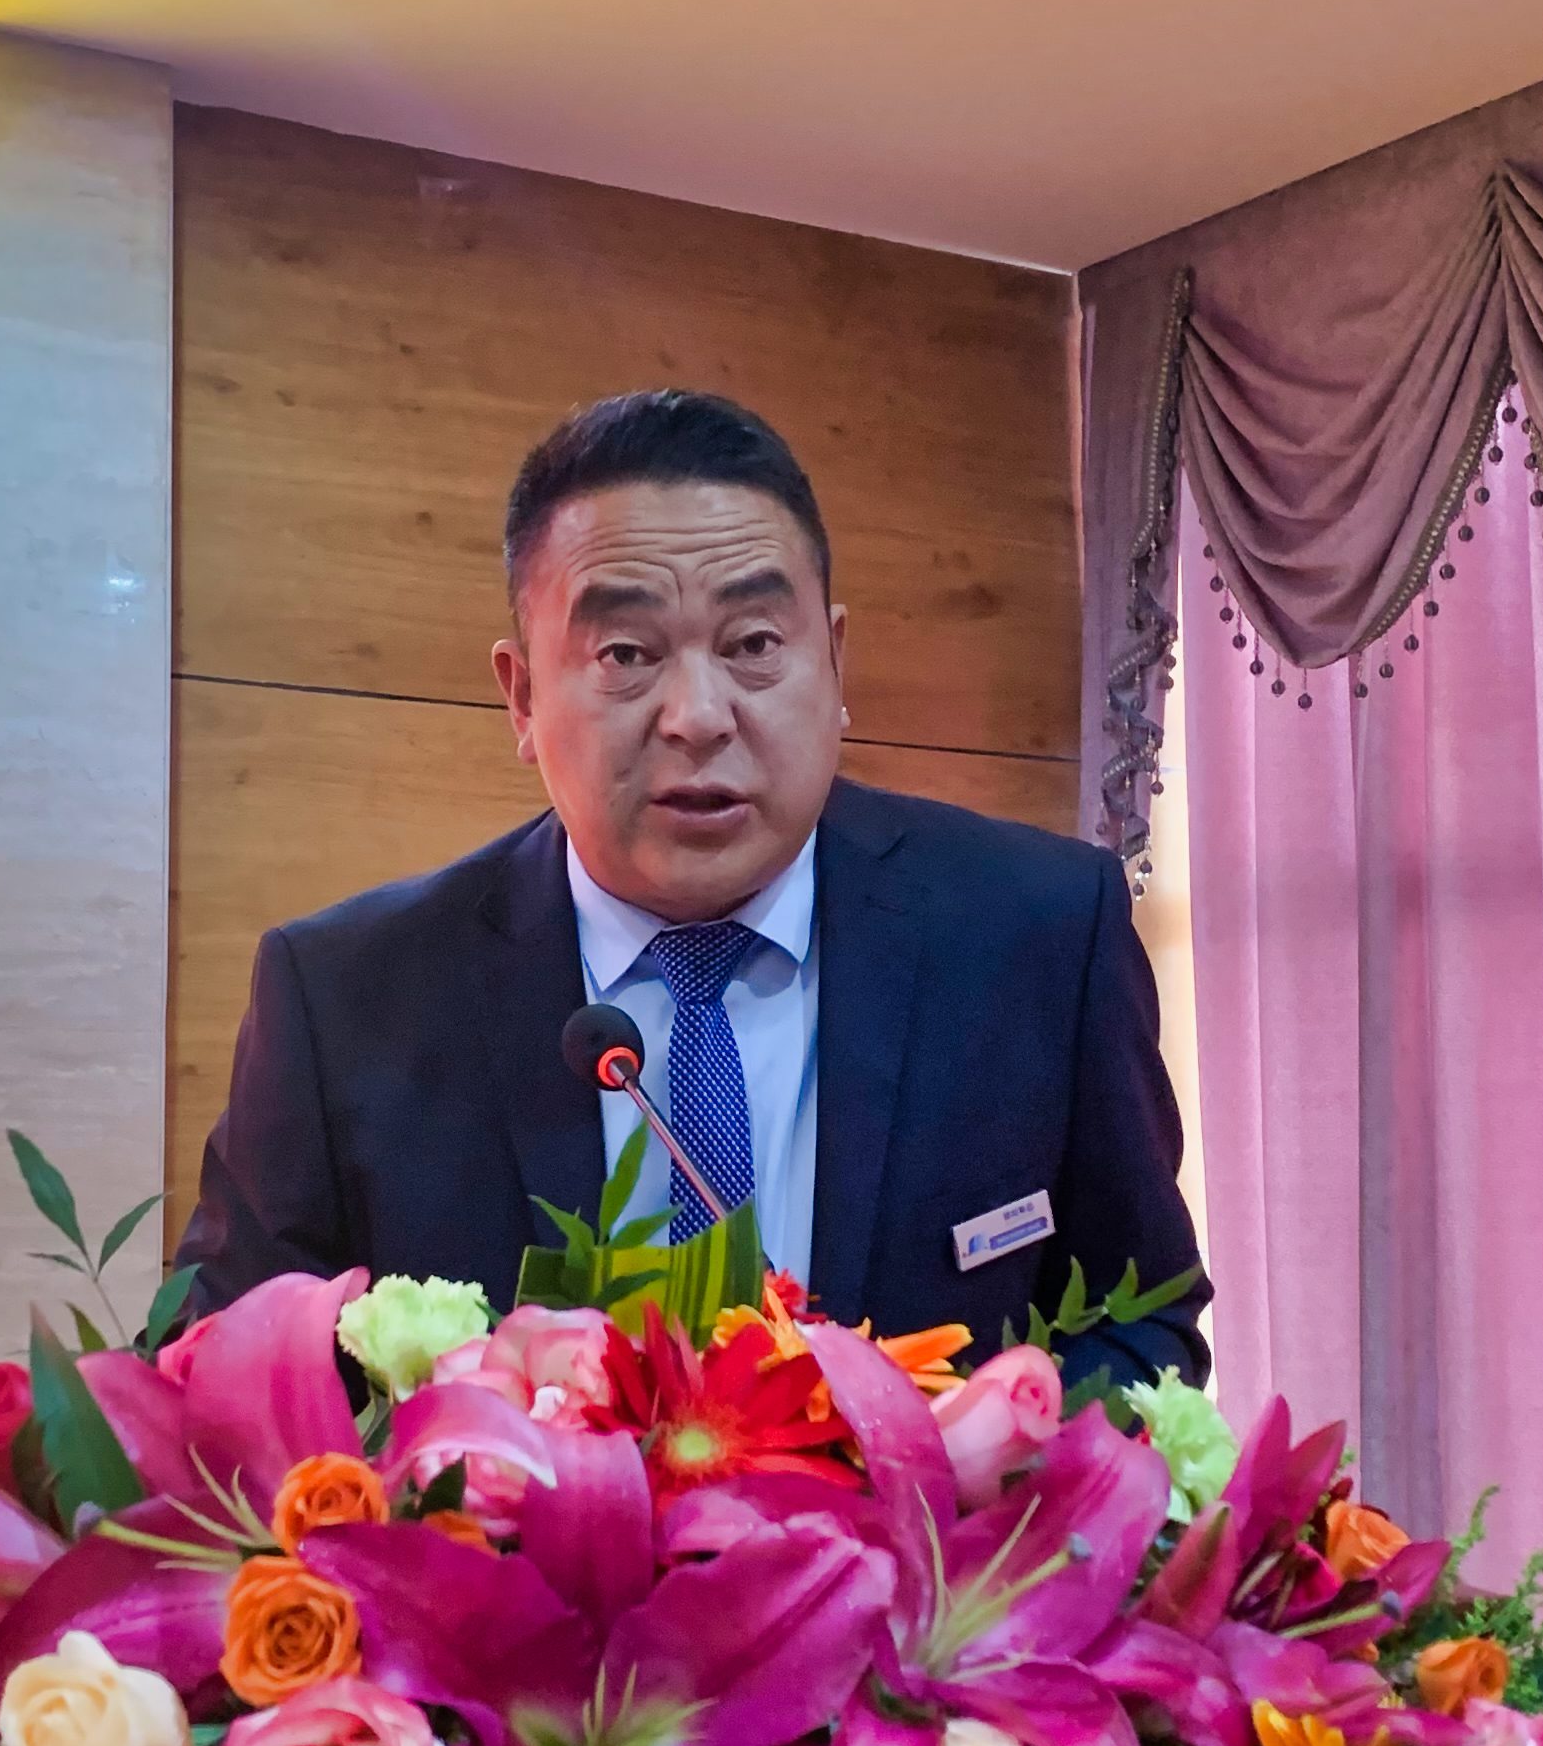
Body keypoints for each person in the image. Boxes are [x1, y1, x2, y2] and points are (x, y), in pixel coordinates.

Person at [176, 388, 1209, 1388]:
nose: (698, 716)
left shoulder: (1039, 936)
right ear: (522, 697)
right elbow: (226, 1375)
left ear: (836, 664)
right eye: (625, 653)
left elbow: (1141, 1320)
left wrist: (979, 1472)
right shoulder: (345, 1000)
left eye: (754, 645)